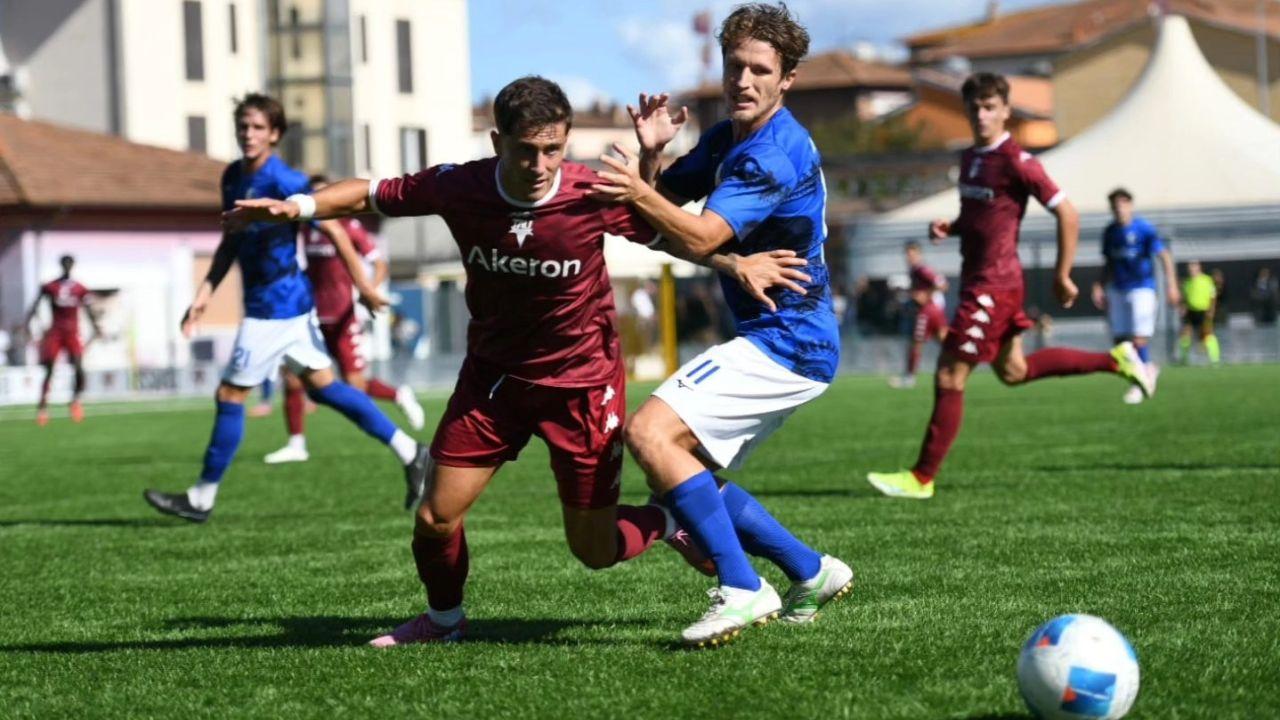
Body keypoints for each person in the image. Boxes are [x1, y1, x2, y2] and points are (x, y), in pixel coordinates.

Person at [225, 76, 808, 646]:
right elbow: (367, 192)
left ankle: (663, 521)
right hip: (494, 382)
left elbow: (674, 235)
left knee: (594, 551)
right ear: (496, 141)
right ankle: (444, 621)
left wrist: (737, 265)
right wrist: (297, 207)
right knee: (434, 519)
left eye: (553, 149)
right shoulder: (461, 187)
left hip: (582, 387)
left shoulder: (589, 193)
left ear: (567, 141)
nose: (540, 163)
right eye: (526, 150)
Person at [593, 2, 854, 648]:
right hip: (779, 338)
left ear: (786, 79)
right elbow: (657, 228)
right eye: (734, 65)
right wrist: (653, 163)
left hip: (789, 339)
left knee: (650, 433)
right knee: (679, 471)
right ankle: (808, 570)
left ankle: (742, 588)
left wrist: (634, 186)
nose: (743, 80)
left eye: (760, 70)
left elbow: (699, 231)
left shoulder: (771, 153)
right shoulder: (725, 139)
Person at [143, 93, 429, 524]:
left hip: (274, 309)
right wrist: (204, 294)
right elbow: (232, 241)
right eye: (243, 126)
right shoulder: (233, 178)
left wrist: (365, 286)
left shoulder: (285, 178)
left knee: (230, 394)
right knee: (323, 387)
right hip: (285, 305)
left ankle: (201, 498)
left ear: (275, 134)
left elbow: (334, 230)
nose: (249, 134)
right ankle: (412, 452)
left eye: (258, 127)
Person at [866, 72, 1151, 501]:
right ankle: (1115, 360)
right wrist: (953, 225)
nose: (981, 115)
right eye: (974, 108)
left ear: (1005, 111)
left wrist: (1061, 274)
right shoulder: (969, 158)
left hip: (993, 286)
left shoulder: (1019, 160)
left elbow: (1068, 214)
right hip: (985, 282)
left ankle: (922, 477)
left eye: (989, 107)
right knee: (1014, 371)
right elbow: (982, 216)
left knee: (949, 373)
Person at [264, 174, 426, 464]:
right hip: (310, 316)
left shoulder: (349, 227)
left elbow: (379, 263)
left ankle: (399, 395)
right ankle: (296, 444)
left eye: (321, 195)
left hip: (343, 316)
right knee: (293, 380)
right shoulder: (305, 228)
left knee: (355, 386)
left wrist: (370, 289)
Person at [1089, 187, 1179, 404]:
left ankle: (1139, 383)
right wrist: (1099, 285)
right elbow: (1108, 262)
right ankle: (1147, 369)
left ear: (1130, 205)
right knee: (1121, 342)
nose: (1119, 209)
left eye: (1122, 204)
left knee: (1138, 338)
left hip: (1142, 288)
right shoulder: (1110, 232)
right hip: (1118, 289)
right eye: (1115, 206)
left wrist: (1172, 285)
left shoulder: (1144, 229)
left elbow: (1164, 255)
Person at [24, 255, 102, 425]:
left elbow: (88, 309)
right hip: (56, 333)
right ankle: (43, 407)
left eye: (69, 264)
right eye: (65, 264)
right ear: (61, 265)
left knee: (79, 368)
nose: (67, 267)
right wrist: (28, 325)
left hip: (73, 333)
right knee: (50, 369)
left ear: (73, 266)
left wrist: (96, 327)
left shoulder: (80, 288)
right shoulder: (50, 286)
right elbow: (35, 306)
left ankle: (75, 400)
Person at [892, 241, 949, 388]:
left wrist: (926, 295)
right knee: (946, 342)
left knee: (916, 343)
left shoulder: (922, 270)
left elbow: (942, 285)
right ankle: (959, 366)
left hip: (927, 311)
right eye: (907, 254)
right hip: (934, 310)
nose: (909, 257)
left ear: (918, 254)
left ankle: (909, 378)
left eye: (912, 254)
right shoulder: (914, 271)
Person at [1178, 260, 1220, 365]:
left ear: (1198, 268)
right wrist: (1183, 307)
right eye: (1189, 268)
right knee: (1185, 334)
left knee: (1207, 334)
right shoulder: (1187, 282)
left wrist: (1211, 310)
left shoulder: (1207, 280)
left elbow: (1213, 296)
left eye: (1193, 267)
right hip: (1190, 311)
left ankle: (1215, 359)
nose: (1191, 270)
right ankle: (1184, 359)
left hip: (1204, 311)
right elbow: (1184, 298)